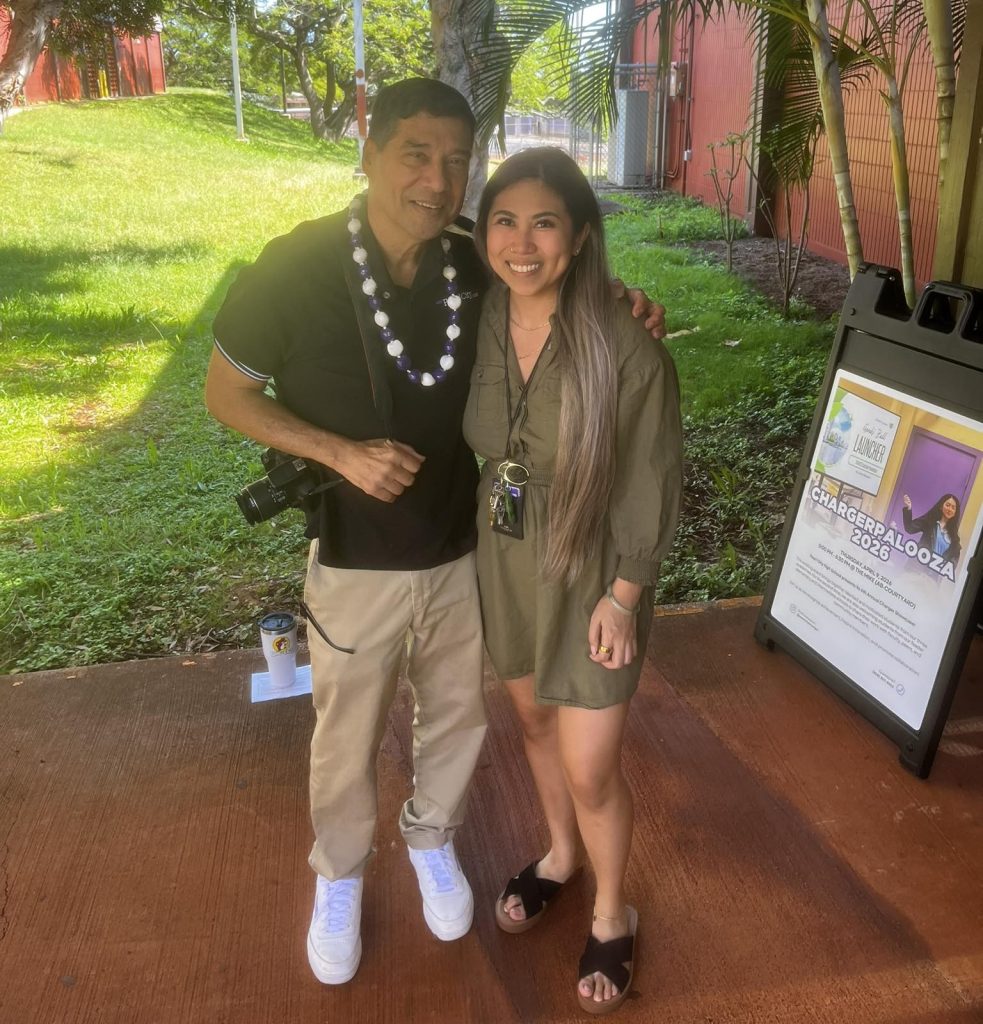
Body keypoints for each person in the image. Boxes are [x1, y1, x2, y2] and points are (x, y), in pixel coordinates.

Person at [203, 79, 666, 987]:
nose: (437, 179)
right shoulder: (294, 267)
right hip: (356, 556)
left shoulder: (471, 263)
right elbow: (226, 393)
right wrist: (338, 452)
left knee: (457, 717)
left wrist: (625, 301)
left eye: (456, 161)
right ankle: (340, 874)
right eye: (416, 154)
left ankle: (432, 842)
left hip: (469, 551)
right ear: (369, 148)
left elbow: (550, 281)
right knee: (347, 732)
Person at [463, 148, 683, 1015]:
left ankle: (611, 909)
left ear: (581, 236)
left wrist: (624, 597)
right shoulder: (481, 310)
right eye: (503, 221)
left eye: (544, 223)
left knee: (591, 766)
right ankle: (560, 855)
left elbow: (650, 478)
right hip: (505, 549)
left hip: (593, 567)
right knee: (532, 721)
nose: (521, 243)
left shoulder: (622, 344)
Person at [902, 492, 962, 565]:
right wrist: (908, 508)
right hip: (918, 566)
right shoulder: (930, 521)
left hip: (934, 571)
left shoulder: (954, 537)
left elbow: (954, 559)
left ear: (955, 512)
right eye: (947, 505)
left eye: (953, 508)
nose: (950, 509)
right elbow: (910, 528)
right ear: (941, 506)